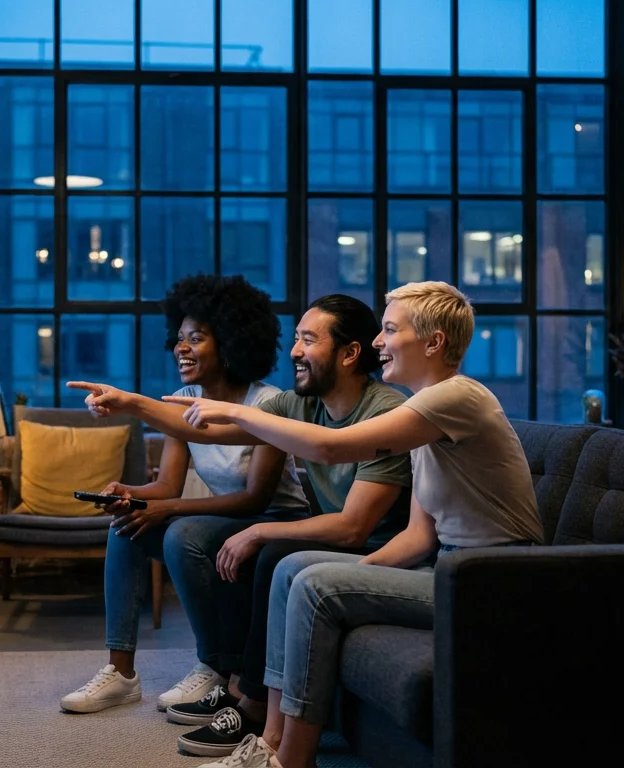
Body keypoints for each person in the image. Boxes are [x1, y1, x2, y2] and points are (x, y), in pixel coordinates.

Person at [163, 282, 543, 768]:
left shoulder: (458, 397)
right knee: (297, 569)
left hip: (493, 581)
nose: (378, 343)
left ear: (434, 343)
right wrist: (352, 575)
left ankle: (290, 760)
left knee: (316, 585)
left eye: (389, 330)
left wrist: (236, 409)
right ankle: (271, 740)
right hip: (449, 569)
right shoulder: (423, 414)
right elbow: (419, 537)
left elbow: (330, 446)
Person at [68, 294, 415, 759]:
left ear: (349, 354)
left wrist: (258, 530)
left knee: (264, 551)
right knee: (146, 528)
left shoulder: (383, 410)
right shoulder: (302, 403)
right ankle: (169, 680)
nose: (295, 351)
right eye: (295, 339)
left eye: (308, 340)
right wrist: (130, 402)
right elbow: (207, 431)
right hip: (339, 535)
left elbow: (351, 525)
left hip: (376, 547)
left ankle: (240, 693)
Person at [60, 274, 310, 716]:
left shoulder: (269, 403)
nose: (181, 348)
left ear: (231, 341)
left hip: (275, 525)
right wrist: (133, 496)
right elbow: (167, 487)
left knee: (181, 533)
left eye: (197, 338)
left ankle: (212, 666)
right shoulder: (180, 401)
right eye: (179, 338)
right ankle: (121, 674)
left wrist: (166, 509)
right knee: (128, 527)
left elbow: (253, 500)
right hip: (222, 523)